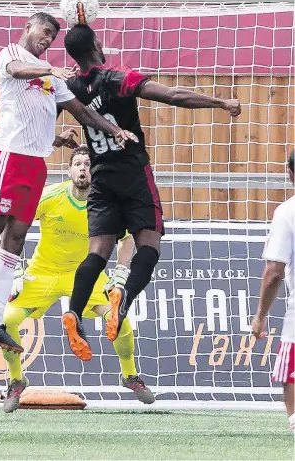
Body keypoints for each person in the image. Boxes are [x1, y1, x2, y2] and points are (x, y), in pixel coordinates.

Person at [0, 12, 137, 353]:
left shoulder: (54, 79)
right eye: (44, 31)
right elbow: (18, 72)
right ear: (28, 28)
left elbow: (81, 111)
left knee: (16, 239)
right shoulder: (13, 55)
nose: (48, 39)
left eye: (53, 35)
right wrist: (50, 69)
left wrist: (114, 130)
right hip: (7, 157)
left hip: (36, 164)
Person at [60, 25, 241, 360]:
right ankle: (123, 299)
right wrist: (220, 101)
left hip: (101, 179)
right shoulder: (117, 77)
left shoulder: (67, 86)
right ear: (98, 45)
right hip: (133, 175)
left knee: (97, 252)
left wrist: (61, 140)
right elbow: (173, 95)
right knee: (150, 243)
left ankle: (73, 311)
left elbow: (45, 125)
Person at [1, 145, 155, 412]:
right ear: (69, 170)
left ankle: (129, 375)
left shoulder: (108, 202)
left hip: (88, 276)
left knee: (120, 320)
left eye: (88, 164)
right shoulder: (49, 196)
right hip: (43, 273)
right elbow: (13, 225)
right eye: (78, 164)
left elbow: (128, 237)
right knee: (5, 321)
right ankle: (16, 380)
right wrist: (14, 270)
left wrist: (120, 271)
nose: (83, 168)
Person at [251, 150, 294, 435]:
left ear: (289, 173)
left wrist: (260, 316)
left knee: (292, 367)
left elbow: (274, 272)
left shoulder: (287, 212)